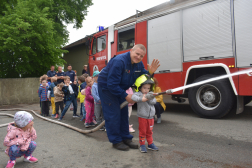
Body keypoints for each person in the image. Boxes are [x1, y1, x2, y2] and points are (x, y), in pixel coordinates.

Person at [98, 44, 160, 151]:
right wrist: (126, 96)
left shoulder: (138, 64)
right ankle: (116, 141)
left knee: (124, 113)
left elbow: (144, 78)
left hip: (120, 88)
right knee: (114, 114)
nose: (139, 57)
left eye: (141, 56)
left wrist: (150, 72)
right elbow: (111, 84)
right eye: (137, 54)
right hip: (107, 88)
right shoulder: (119, 61)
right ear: (131, 51)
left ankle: (126, 138)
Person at [131, 74, 158, 153]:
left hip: (151, 117)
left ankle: (150, 143)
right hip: (142, 117)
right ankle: (142, 144)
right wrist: (141, 98)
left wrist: (150, 97)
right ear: (140, 87)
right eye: (144, 88)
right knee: (143, 132)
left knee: (149, 131)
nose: (146, 90)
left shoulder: (150, 94)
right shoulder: (138, 94)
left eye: (148, 88)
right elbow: (133, 97)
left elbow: (154, 102)